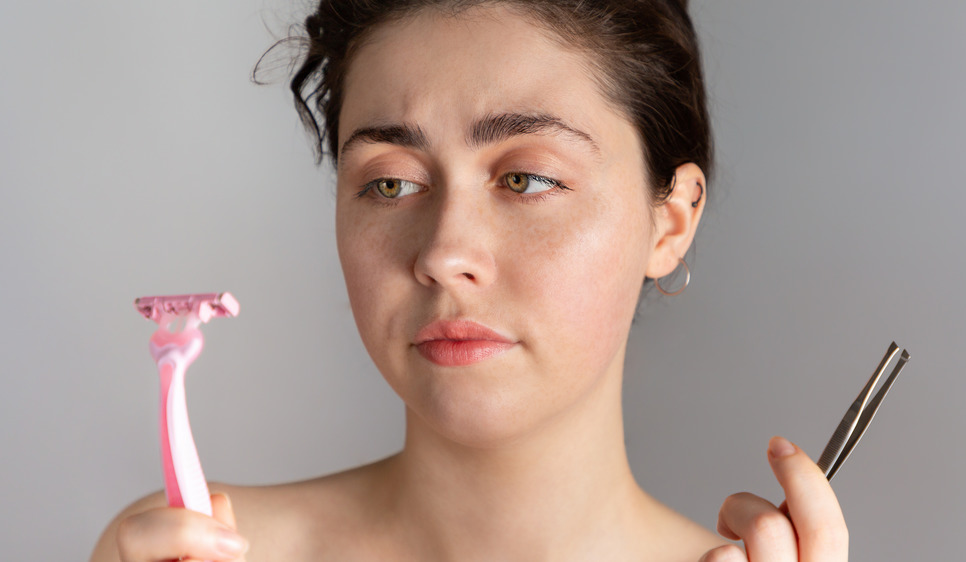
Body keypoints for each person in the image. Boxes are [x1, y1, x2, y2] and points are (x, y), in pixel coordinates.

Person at [91, 1, 849, 560]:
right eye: (389, 185)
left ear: (672, 220)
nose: (445, 254)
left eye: (526, 177)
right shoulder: (187, 548)